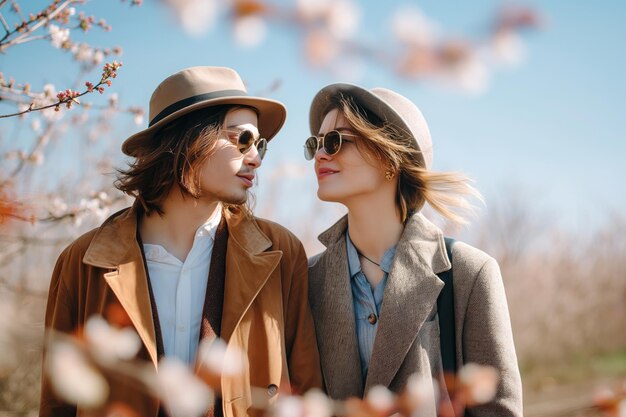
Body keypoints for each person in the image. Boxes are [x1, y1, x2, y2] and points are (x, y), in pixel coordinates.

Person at [40, 66, 322, 417]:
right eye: (243, 140)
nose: (256, 158)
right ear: (189, 139)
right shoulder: (83, 260)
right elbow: (58, 401)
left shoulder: (280, 252)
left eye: (260, 144)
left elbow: (306, 391)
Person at [305, 83, 522, 416]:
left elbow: (498, 409)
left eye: (336, 142)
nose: (321, 154)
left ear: (389, 158)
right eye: (315, 144)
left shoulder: (466, 272)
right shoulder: (305, 281)